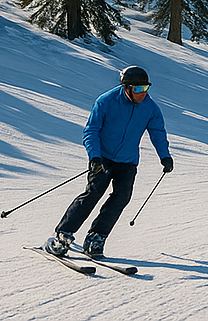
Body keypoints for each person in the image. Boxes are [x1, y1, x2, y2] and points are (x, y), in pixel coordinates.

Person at [43, 66, 172, 259]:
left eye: (145, 88)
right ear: (127, 88)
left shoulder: (150, 108)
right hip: (103, 159)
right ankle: (63, 236)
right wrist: (94, 156)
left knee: (122, 197)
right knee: (93, 194)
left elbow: (158, 133)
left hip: (128, 161)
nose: (142, 93)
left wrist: (165, 156)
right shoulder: (107, 101)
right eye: (138, 89)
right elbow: (91, 131)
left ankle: (96, 238)